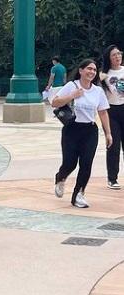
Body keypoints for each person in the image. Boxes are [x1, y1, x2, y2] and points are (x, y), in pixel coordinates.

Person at [52, 59, 112, 208]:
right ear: (81, 70)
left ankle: (79, 194)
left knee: (86, 164)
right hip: (72, 129)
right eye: (89, 69)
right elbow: (55, 102)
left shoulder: (98, 91)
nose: (92, 72)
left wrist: (108, 133)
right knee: (70, 163)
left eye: (94, 69)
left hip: (90, 131)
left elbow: (103, 112)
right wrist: (72, 95)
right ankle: (60, 177)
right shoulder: (72, 86)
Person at [100, 45, 124, 189]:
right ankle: (112, 179)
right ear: (108, 58)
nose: (117, 57)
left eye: (119, 54)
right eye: (114, 55)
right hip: (111, 112)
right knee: (113, 145)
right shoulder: (104, 75)